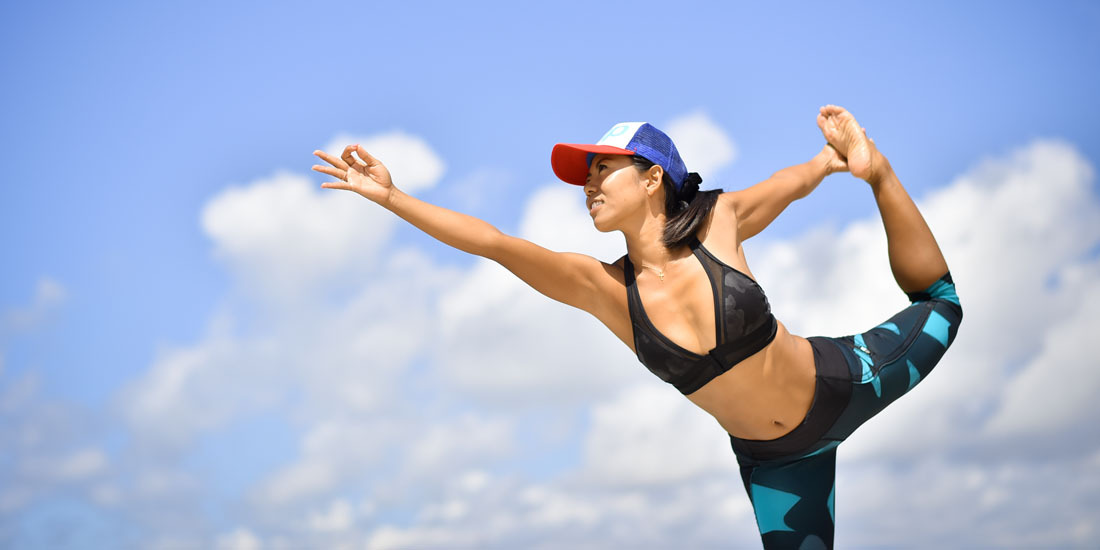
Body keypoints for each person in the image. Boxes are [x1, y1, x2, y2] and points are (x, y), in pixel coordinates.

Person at [312, 105, 962, 549]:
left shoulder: (718, 220)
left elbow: (785, 185)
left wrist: (836, 162)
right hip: (779, 467)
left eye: (603, 168)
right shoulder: (605, 291)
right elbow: (493, 242)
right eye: (584, 174)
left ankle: (881, 174)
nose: (588, 183)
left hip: (845, 380)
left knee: (941, 304)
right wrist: (392, 197)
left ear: (654, 178)